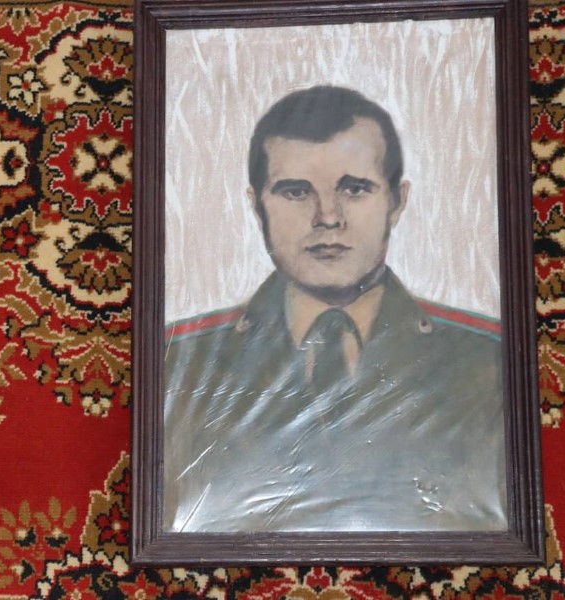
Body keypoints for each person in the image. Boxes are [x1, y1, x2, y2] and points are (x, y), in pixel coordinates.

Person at [163, 86, 507, 533]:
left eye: (355, 189)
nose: (327, 217)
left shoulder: (488, 361)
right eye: (295, 192)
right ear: (257, 207)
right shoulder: (176, 363)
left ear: (397, 202)